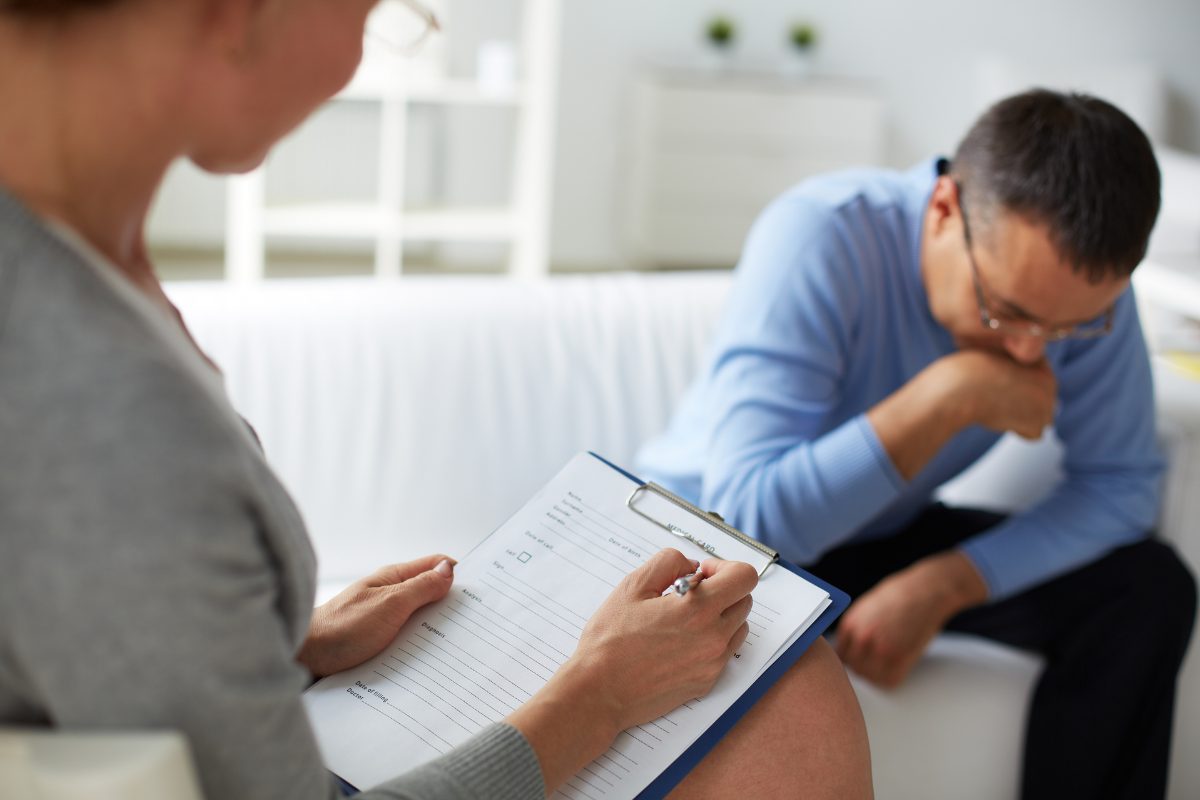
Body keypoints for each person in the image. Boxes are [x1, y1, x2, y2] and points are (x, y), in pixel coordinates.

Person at [0, 1, 874, 799]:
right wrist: (598, 695)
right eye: (375, 12)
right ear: (236, 14)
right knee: (786, 699)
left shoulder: (82, 259)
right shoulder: (91, 395)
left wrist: (285, 646)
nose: (354, 58)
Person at [637, 89, 1197, 799]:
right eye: (1008, 312)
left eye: (1066, 329)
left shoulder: (1078, 303)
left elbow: (1121, 485)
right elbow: (752, 522)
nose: (1030, 350)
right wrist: (949, 394)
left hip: (877, 535)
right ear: (941, 210)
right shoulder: (823, 234)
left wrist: (950, 581)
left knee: (1147, 589)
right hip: (707, 540)